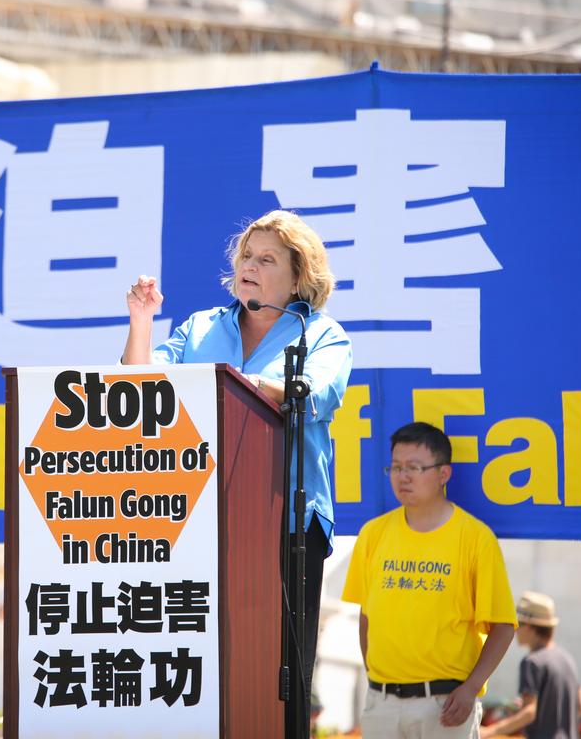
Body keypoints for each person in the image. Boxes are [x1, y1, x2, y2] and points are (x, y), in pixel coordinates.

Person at [123, 208, 353, 693]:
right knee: (202, 666)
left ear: (298, 278)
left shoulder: (323, 334)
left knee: (277, 675)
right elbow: (142, 384)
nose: (250, 264)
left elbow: (316, 391)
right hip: (198, 516)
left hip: (286, 521)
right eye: (247, 255)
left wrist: (246, 387)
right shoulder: (201, 327)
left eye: (267, 259)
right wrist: (141, 322)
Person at [341, 422, 517, 738]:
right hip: (381, 704)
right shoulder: (373, 534)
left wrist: (472, 688)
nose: (402, 476)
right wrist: (374, 680)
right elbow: (367, 617)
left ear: (443, 474)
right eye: (395, 467)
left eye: (414, 467)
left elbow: (504, 626)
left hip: (445, 705)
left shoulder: (476, 538)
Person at [482, 591, 581, 739]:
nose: (515, 630)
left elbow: (530, 712)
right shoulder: (567, 659)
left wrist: (490, 731)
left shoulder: (532, 662)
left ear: (529, 627)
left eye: (518, 624)